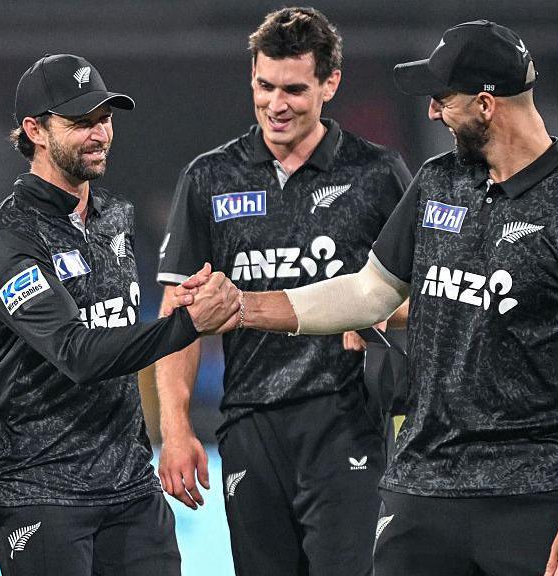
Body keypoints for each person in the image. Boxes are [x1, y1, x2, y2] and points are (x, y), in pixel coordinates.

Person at [176, 20, 558, 576]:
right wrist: (244, 306)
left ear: (486, 104)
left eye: (442, 98)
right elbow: (370, 290)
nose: (432, 113)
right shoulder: (438, 181)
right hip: (421, 493)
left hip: (532, 499)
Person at [154, 7, 411, 575]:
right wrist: (174, 430)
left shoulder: (378, 173)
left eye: (294, 89)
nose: (276, 104)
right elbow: (179, 313)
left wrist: (375, 314)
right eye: (264, 86)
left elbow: (428, 293)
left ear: (330, 84)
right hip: (248, 426)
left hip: (346, 419)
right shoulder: (209, 177)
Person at [0, 53, 239, 576]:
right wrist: (188, 325)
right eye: (80, 123)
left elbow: (118, 327)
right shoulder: (10, 240)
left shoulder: (115, 215)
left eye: (105, 119)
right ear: (35, 131)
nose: (99, 134)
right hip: (40, 487)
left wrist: (182, 305)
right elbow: (78, 354)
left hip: (130, 485)